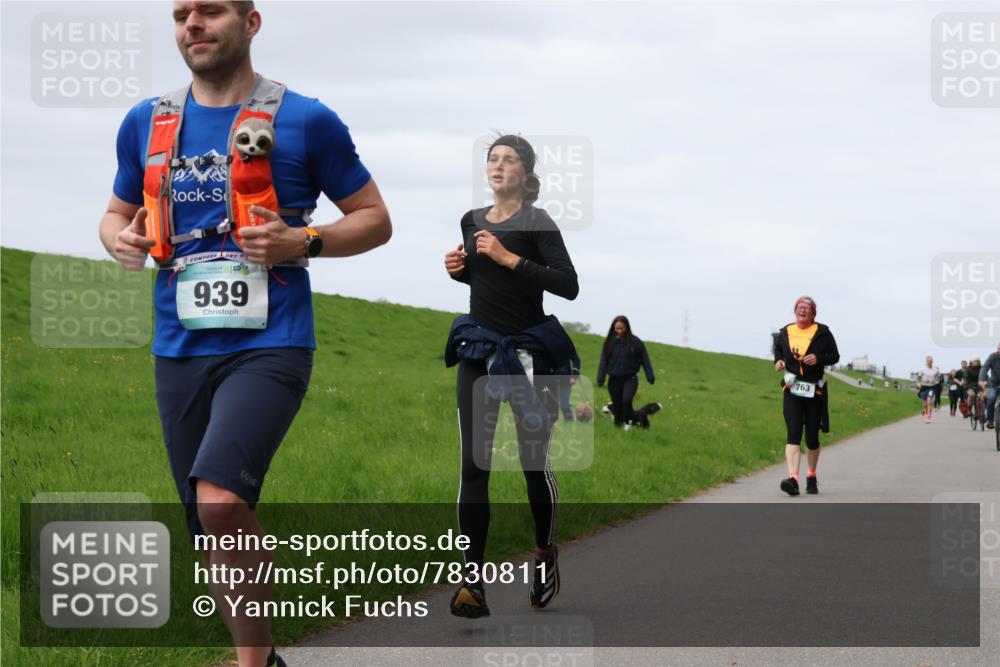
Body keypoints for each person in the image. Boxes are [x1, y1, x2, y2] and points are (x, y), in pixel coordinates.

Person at [99, 3, 391, 665]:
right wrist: (120, 238)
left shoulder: (306, 119)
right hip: (179, 346)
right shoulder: (146, 121)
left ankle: (249, 664)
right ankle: (264, 655)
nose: (192, 24)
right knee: (208, 525)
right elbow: (116, 212)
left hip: (272, 339)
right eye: (180, 14)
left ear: (251, 22)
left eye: (210, 10)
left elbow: (374, 218)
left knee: (222, 501)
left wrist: (304, 238)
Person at [443, 135, 579, 618]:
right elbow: (484, 281)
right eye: (493, 159)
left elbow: (568, 285)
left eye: (510, 160)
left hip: (528, 356)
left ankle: (544, 553)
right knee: (474, 466)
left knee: (531, 466)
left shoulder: (538, 223)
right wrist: (460, 269)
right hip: (479, 350)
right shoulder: (471, 220)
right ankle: (471, 583)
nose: (499, 166)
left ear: (526, 173)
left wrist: (509, 258)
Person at [772, 296, 840, 496]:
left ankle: (811, 475)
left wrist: (818, 358)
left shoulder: (823, 332)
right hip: (792, 389)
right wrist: (779, 362)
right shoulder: (786, 332)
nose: (803, 311)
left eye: (807, 309)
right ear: (795, 310)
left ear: (813, 313)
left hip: (815, 390)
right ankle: (793, 479)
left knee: (811, 437)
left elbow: (835, 356)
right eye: (800, 308)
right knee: (793, 433)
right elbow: (779, 351)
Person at [595, 316, 662, 430]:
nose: (619, 331)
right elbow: (603, 360)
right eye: (617, 329)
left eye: (622, 328)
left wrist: (650, 376)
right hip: (614, 380)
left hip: (630, 379)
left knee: (626, 401)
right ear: (613, 328)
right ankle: (620, 429)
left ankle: (628, 423)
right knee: (617, 406)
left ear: (627, 327)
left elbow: (645, 358)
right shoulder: (609, 342)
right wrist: (600, 378)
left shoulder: (636, 342)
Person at [916, 356, 942, 424]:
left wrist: (936, 380)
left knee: (929, 402)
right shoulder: (922, 369)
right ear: (926, 362)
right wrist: (918, 388)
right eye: (928, 361)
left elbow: (939, 377)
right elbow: (918, 379)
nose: (929, 362)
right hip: (924, 387)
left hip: (932, 387)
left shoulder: (935, 370)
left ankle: (928, 418)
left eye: (931, 361)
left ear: (932, 362)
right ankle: (925, 410)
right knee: (925, 404)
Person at [980, 343, 1000, 429]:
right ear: (998, 349)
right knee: (991, 399)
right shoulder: (993, 356)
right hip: (992, 384)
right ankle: (990, 421)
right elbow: (985, 367)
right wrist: (981, 379)